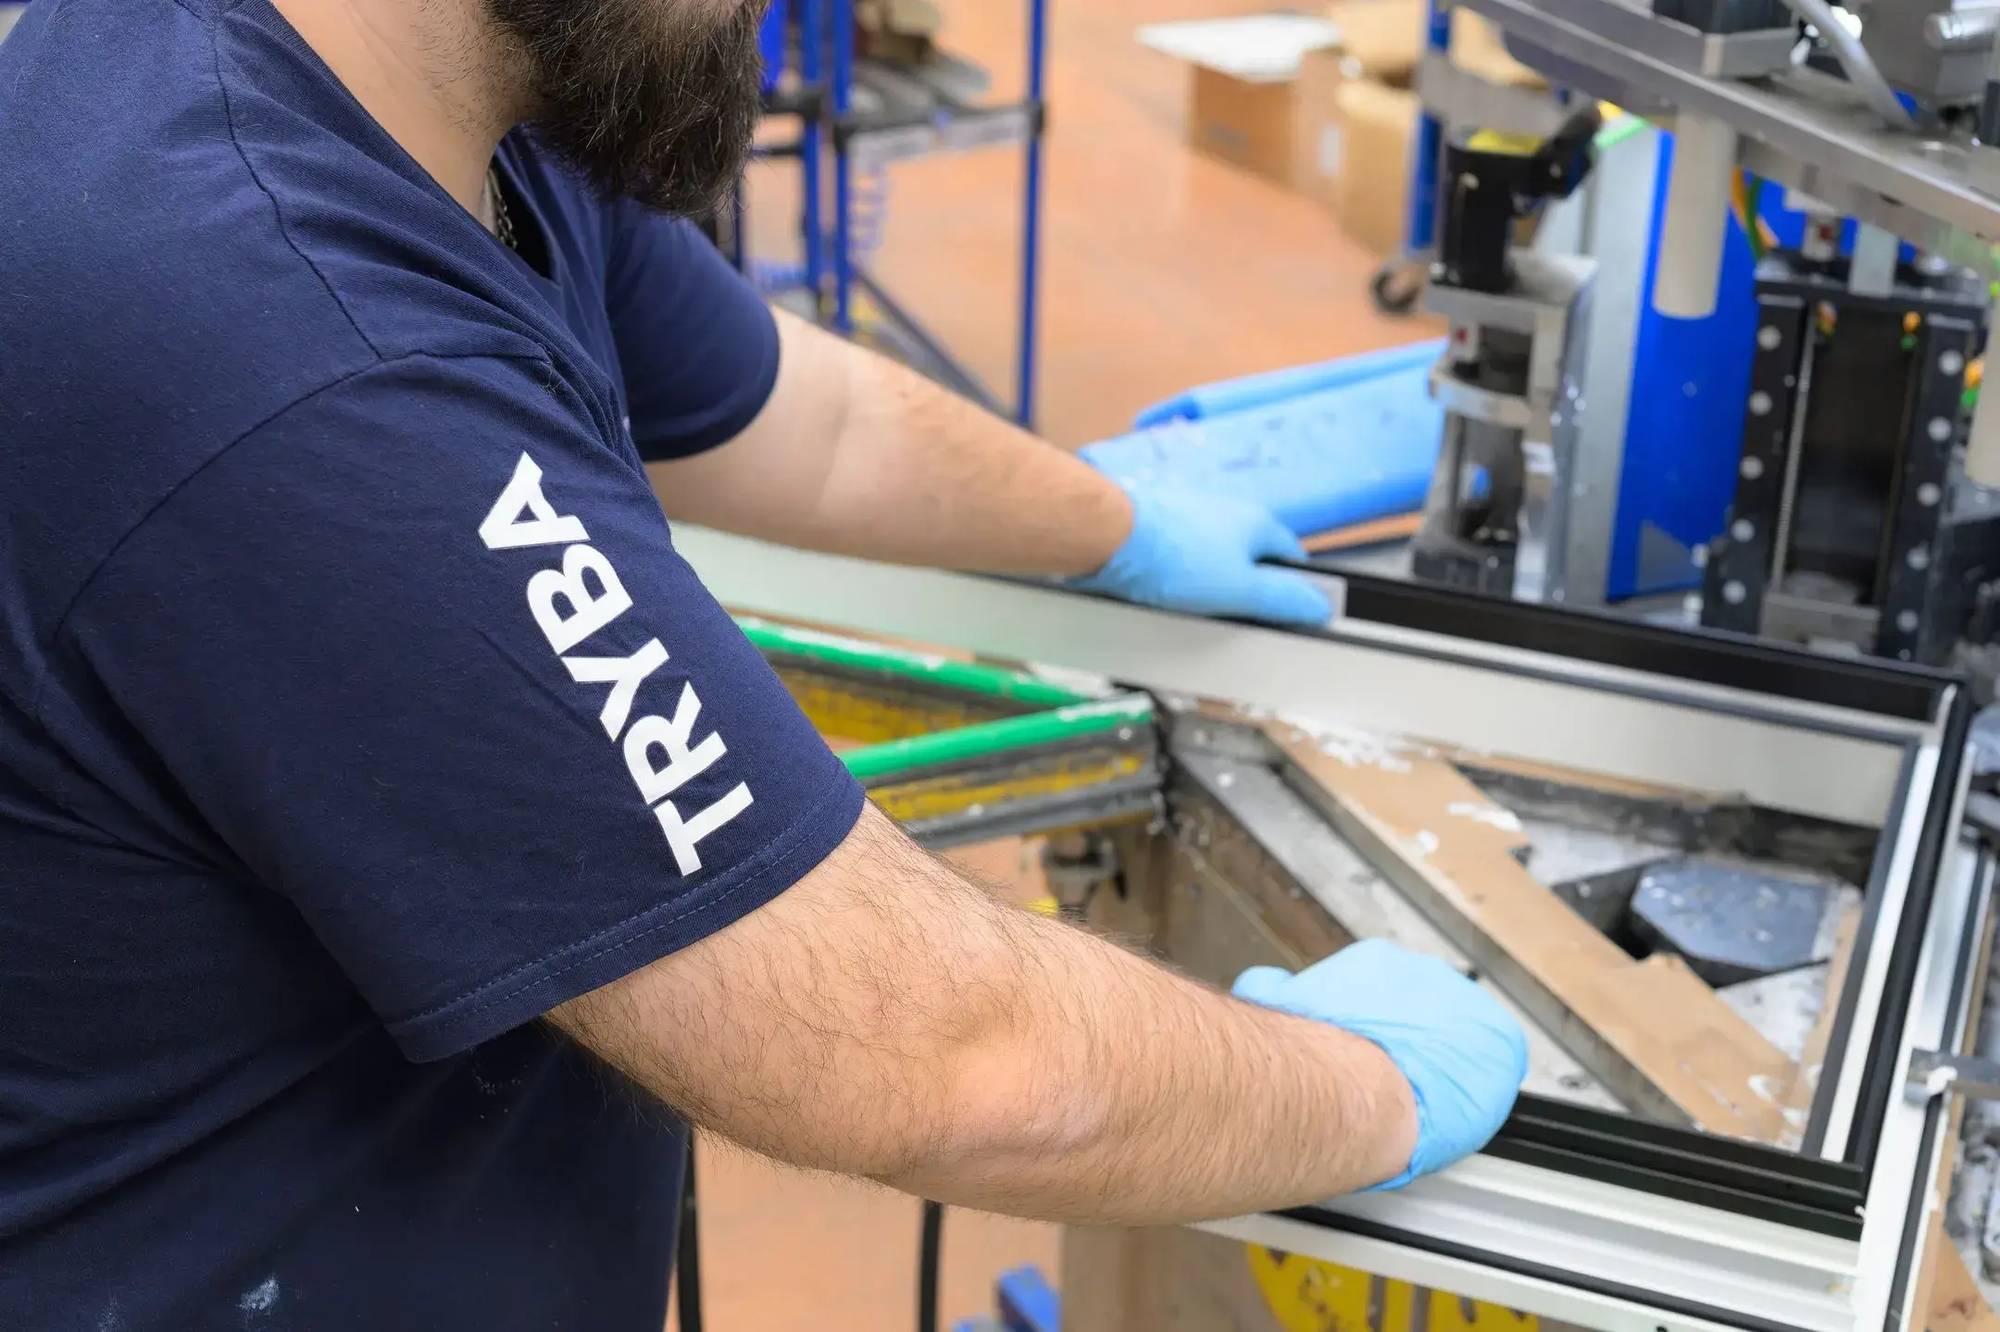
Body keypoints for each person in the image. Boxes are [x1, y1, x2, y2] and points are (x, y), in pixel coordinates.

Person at [0, 1, 1529, 1327]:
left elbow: (791, 409)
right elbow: (932, 1054)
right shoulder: (290, 352)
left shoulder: (437, 94)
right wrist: (1357, 1085)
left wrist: (1120, 527)